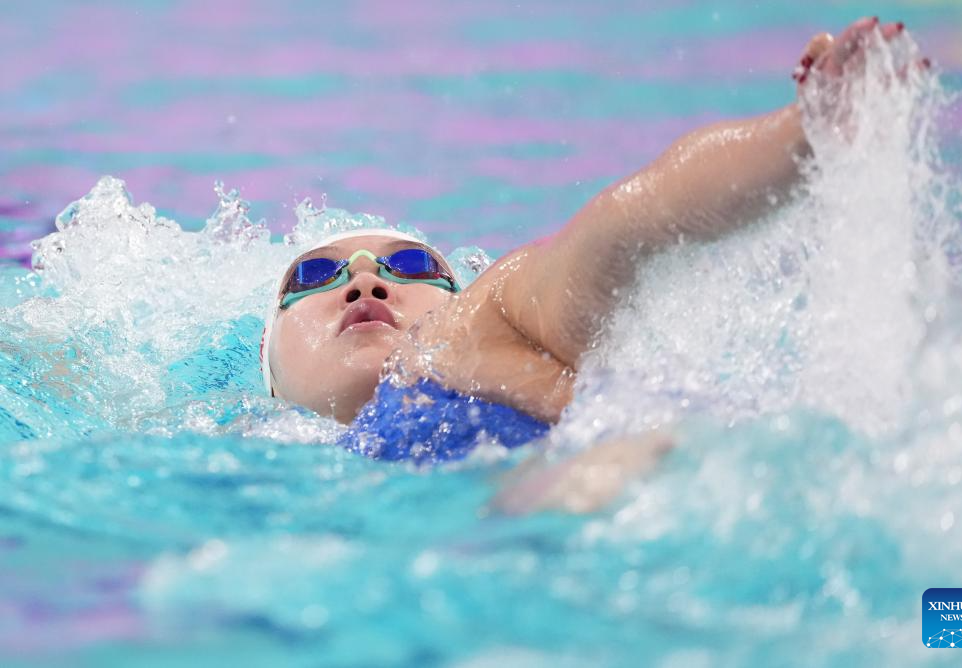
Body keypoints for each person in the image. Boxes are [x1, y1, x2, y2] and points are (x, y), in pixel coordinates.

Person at [261, 18, 918, 464]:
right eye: (314, 276)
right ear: (270, 376)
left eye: (411, 266)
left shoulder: (476, 328)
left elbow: (627, 225)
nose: (368, 281)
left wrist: (803, 134)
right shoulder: (248, 462)